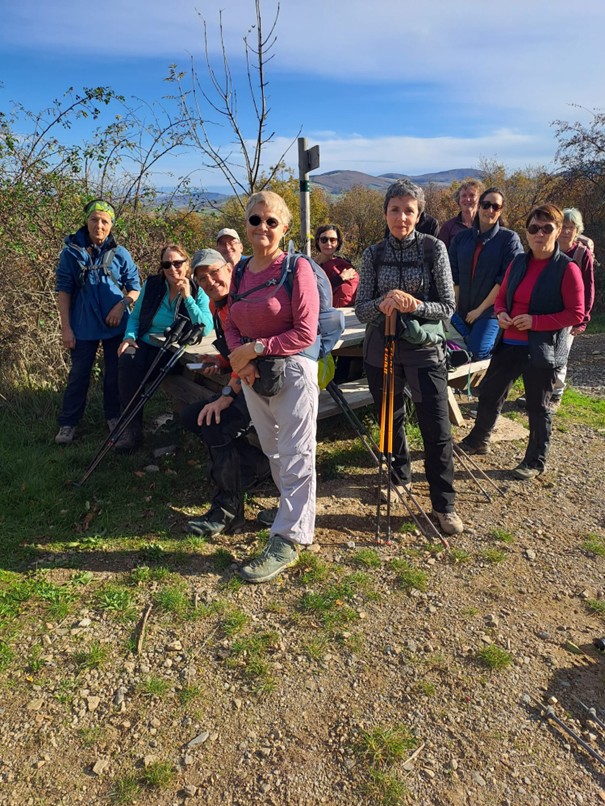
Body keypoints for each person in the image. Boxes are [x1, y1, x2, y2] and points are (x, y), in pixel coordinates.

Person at [355, 179, 464, 536]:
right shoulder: (372, 254)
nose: (401, 217)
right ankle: (399, 477)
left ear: (419, 214)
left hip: (424, 350)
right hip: (381, 348)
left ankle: (443, 503)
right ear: (385, 213)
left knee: (436, 426)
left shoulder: (434, 249)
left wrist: (415, 304)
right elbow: (361, 309)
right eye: (395, 210)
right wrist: (382, 304)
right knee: (391, 418)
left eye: (409, 210)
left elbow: (447, 306)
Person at [224, 190, 320, 583]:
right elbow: (230, 322)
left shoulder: (298, 269)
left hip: (292, 370)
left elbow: (306, 331)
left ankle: (290, 536)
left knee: (296, 452)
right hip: (253, 375)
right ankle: (290, 509)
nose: (262, 227)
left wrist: (256, 348)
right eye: (255, 220)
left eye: (271, 221)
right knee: (271, 449)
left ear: (284, 227)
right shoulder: (242, 270)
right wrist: (239, 359)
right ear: (246, 225)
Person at [458, 204, 584, 479]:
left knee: (538, 406)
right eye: (533, 228)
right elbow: (503, 296)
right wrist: (501, 313)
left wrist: (536, 322)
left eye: (546, 228)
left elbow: (576, 312)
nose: (539, 234)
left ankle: (535, 461)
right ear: (527, 233)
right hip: (510, 343)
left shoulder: (567, 269)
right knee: (490, 393)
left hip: (542, 349)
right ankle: (479, 440)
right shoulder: (518, 262)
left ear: (558, 231)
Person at [180, 249, 270, 537]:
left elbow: (252, 354)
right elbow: (235, 353)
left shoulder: (244, 301)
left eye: (214, 272)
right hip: (244, 382)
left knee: (215, 424)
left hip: (266, 387)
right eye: (201, 278)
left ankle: (228, 510)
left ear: (230, 269)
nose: (209, 280)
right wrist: (219, 362)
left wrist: (226, 394)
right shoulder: (220, 307)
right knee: (192, 417)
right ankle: (256, 466)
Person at [55, 200, 141, 444]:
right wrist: (66, 327)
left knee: (115, 374)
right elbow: (64, 290)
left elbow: (135, 288)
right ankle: (68, 424)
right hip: (82, 325)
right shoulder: (71, 252)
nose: (99, 225)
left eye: (105, 221)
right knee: (79, 374)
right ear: (86, 221)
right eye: (94, 219)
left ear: (111, 224)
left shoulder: (120, 253)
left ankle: (114, 417)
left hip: (116, 324)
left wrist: (120, 306)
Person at [115, 244, 213, 452]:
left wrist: (187, 297)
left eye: (178, 263)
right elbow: (135, 316)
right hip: (146, 343)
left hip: (172, 350)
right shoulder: (152, 286)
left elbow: (205, 326)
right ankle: (131, 430)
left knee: (134, 371)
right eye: (166, 264)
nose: (172, 268)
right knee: (127, 360)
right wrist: (129, 337)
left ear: (187, 264)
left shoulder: (198, 290)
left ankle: (129, 429)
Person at [449, 188, 523, 359]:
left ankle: (492, 380)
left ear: (501, 211)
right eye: (486, 205)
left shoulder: (509, 240)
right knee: (452, 350)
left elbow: (504, 280)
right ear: (479, 206)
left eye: (496, 207)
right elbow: (455, 276)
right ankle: (465, 385)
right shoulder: (461, 239)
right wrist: (455, 306)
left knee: (478, 351)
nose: (490, 210)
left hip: (490, 311)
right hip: (462, 308)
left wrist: (479, 310)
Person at [551, 208, 596, 407]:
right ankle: (539, 391)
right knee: (542, 354)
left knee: (561, 354)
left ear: (577, 230)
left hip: (570, 314)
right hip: (547, 311)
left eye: (572, 227)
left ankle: (555, 394)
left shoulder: (581, 253)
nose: (567, 231)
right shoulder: (548, 247)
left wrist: (583, 319)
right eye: (564, 226)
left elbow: (588, 287)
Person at [314, 224, 359, 307]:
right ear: (318, 241)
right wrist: (340, 278)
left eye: (333, 240)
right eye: (324, 239)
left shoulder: (343, 266)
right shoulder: (309, 265)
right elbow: (312, 290)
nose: (328, 243)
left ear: (338, 243)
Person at [438, 178, 485, 249]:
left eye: (472, 195)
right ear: (459, 200)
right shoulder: (448, 227)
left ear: (480, 199)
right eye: (464, 196)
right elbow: (441, 254)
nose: (467, 199)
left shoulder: (486, 224)